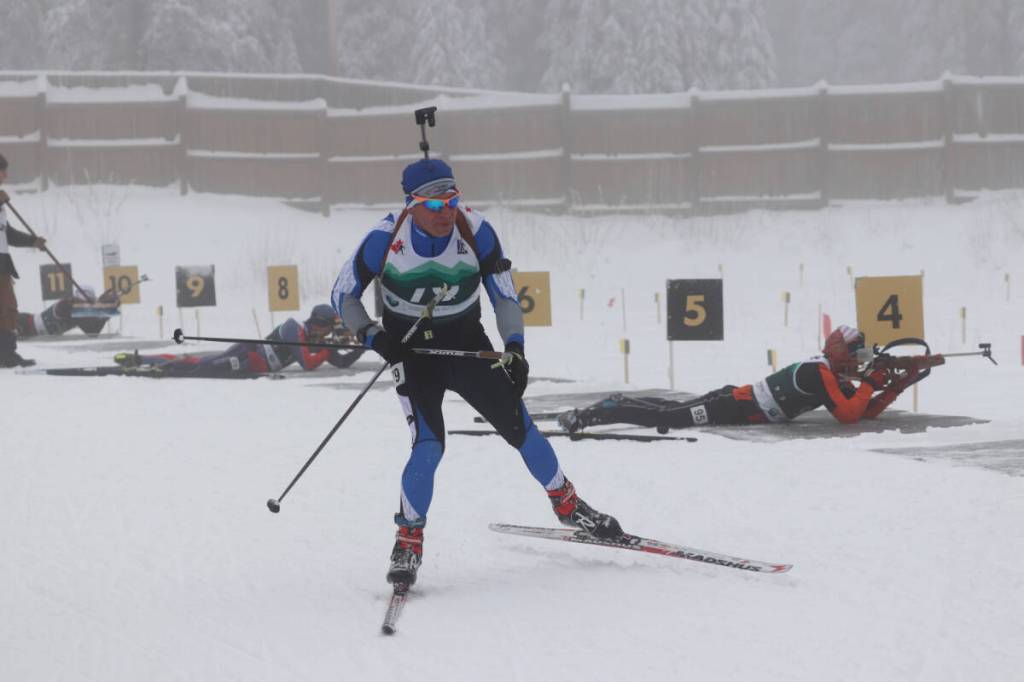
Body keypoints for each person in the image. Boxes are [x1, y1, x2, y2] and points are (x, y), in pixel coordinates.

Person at [332, 157, 622, 587]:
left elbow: (504, 297)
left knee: (522, 429)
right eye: (433, 206)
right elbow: (343, 294)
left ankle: (568, 505)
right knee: (428, 447)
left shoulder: (476, 230)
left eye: (452, 200)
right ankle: (408, 541)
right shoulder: (383, 238)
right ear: (411, 205)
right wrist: (373, 337)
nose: (445, 212)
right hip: (410, 351)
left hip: (467, 344)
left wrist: (516, 349)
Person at [558, 325, 920, 433]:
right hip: (735, 405)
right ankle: (602, 411)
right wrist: (874, 382)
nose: (858, 363)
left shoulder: (830, 376)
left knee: (672, 410)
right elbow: (847, 415)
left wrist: (898, 385)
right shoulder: (820, 372)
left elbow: (864, 410)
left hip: (739, 403)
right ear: (841, 353)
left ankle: (616, 405)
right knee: (667, 418)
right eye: (855, 355)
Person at [115, 304, 364, 377]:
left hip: (257, 366)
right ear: (319, 324)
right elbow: (307, 363)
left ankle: (157, 365)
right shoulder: (293, 328)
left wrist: (362, 346)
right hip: (249, 354)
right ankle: (147, 361)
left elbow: (340, 363)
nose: (329, 334)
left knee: (201, 364)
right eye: (329, 329)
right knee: (203, 366)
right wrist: (328, 347)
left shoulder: (318, 342)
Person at [0, 153, 48, 367]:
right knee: (5, 307)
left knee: (9, 309)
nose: (5, 176)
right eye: (2, 171)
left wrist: (32, 241)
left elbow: (7, 234)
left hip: (3, 262)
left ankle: (7, 352)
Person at [17, 284, 121, 339]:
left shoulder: (77, 309)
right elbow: (92, 331)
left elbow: (93, 330)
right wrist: (104, 311)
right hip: (24, 324)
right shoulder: (70, 305)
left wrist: (106, 312)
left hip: (27, 325)